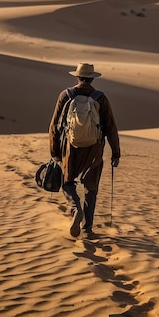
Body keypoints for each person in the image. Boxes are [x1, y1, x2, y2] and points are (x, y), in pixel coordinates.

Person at [49, 63, 120, 239]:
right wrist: (116, 153)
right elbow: (110, 127)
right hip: (94, 147)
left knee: (67, 182)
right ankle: (88, 228)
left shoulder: (65, 95)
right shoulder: (100, 98)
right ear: (92, 78)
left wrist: (54, 151)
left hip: (70, 146)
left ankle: (75, 208)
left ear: (77, 77)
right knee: (91, 187)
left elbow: (54, 125)